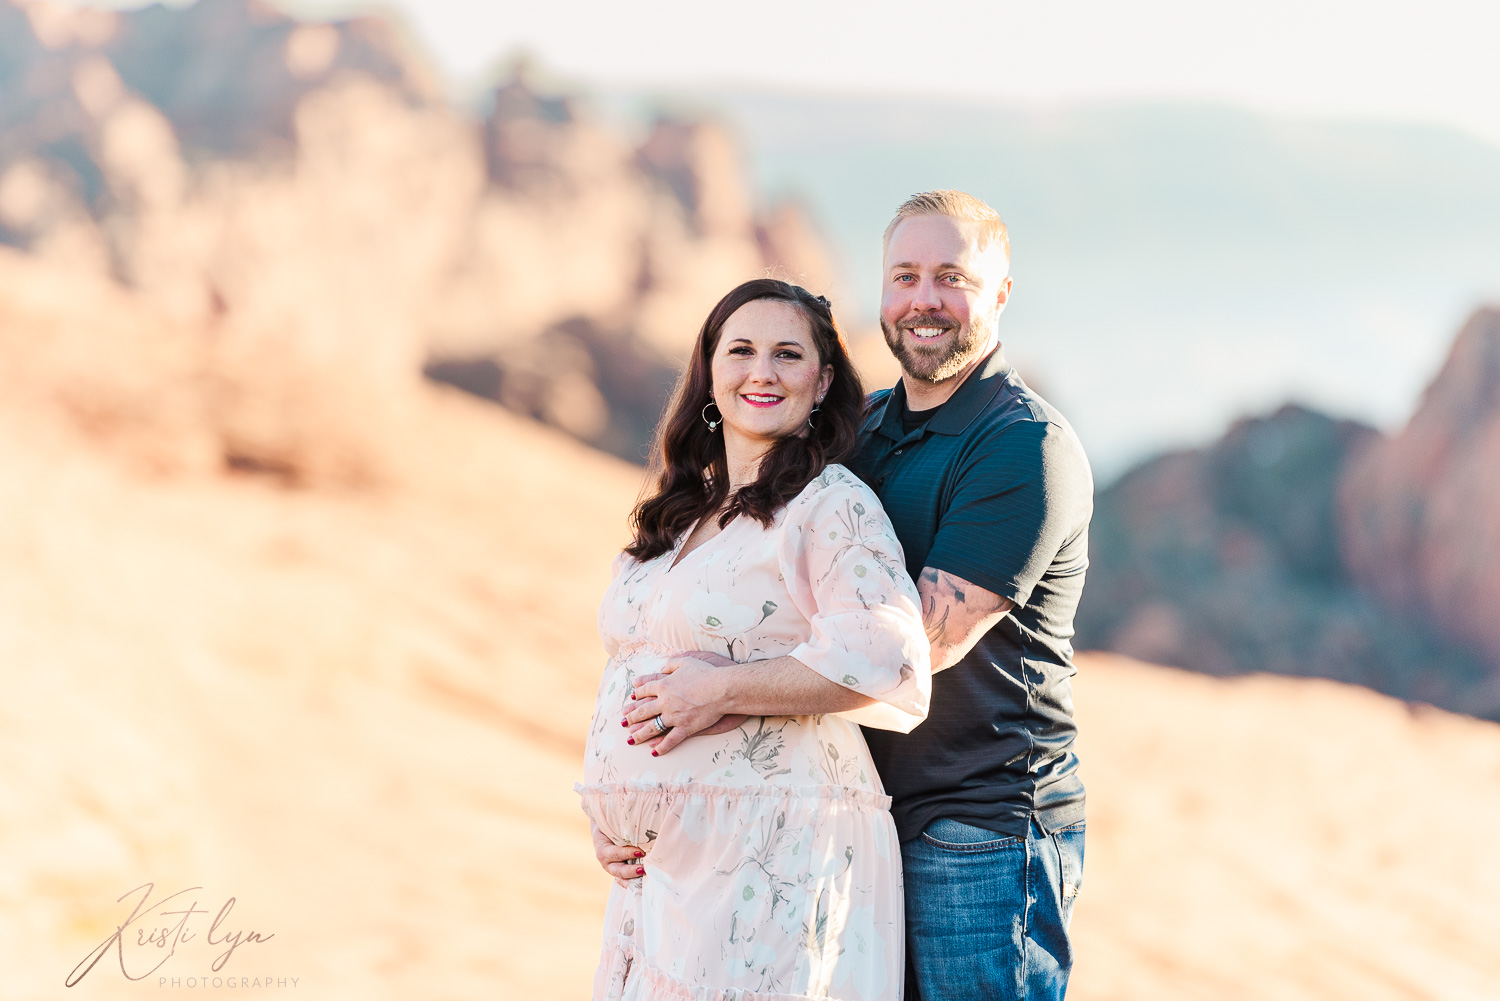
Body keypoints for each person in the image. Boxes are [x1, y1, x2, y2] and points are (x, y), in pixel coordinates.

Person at [599, 191, 1094, 1000]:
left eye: (951, 277)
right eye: (904, 276)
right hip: (842, 814)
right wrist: (643, 797)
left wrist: (715, 692)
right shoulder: (858, 428)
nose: (923, 299)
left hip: (977, 824)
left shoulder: (1023, 447)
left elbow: (908, 650)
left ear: (999, 293)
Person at [579, 278, 932, 1000]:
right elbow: (632, 669)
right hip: (663, 875)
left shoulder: (830, 504)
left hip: (774, 855)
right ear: (710, 371)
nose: (761, 371)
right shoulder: (678, 517)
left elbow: (888, 655)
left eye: (787, 353)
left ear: (822, 380)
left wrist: (721, 688)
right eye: (740, 349)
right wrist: (609, 809)